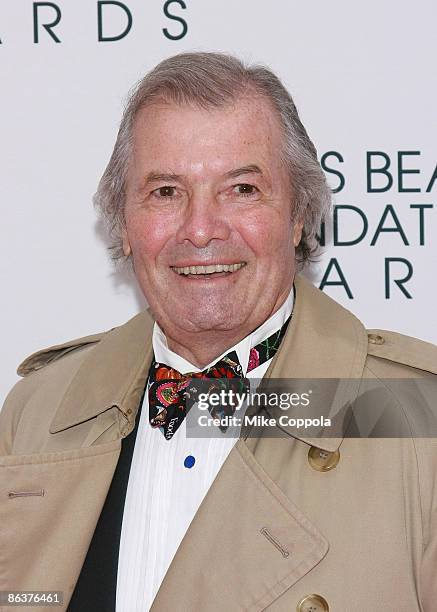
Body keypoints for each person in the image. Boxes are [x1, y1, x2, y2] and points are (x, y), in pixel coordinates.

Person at [1, 52, 436, 612]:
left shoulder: (411, 418)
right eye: (165, 192)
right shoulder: (37, 414)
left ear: (298, 215)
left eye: (242, 189)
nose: (201, 230)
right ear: (123, 222)